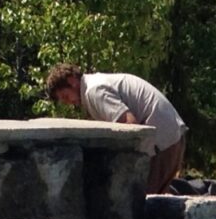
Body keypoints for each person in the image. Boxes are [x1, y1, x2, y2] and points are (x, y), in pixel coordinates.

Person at [45, 65, 187, 192]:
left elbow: (131, 127)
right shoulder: (97, 82)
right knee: (155, 206)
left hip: (161, 142)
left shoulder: (94, 92)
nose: (69, 103)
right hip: (170, 137)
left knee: (141, 203)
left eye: (65, 96)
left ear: (72, 80)